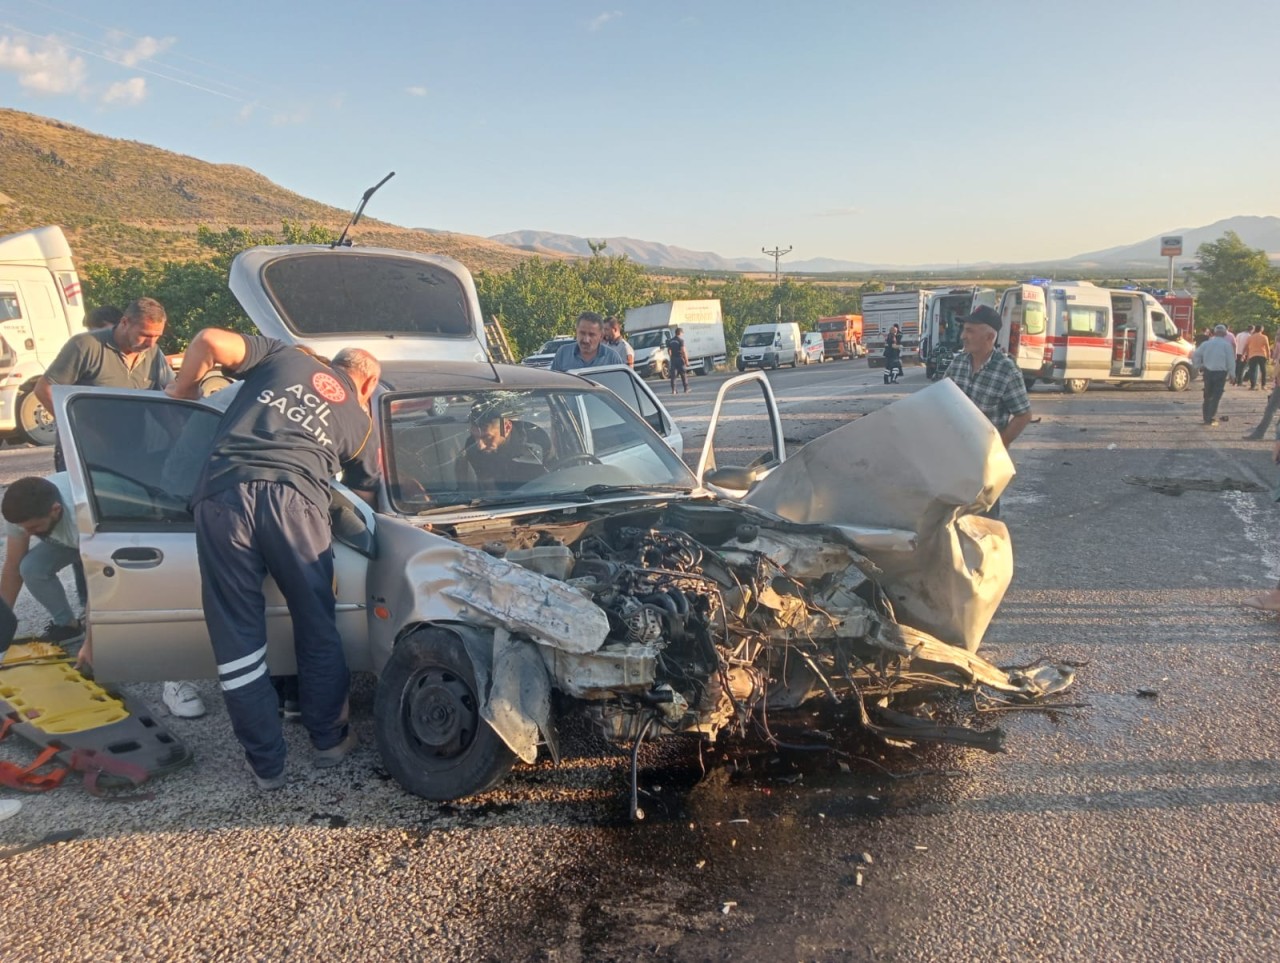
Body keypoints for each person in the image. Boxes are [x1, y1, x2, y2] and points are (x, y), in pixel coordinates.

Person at [166, 328, 381, 791]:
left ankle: (267, 765)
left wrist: (180, 394)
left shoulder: (283, 357)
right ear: (367, 385)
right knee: (318, 625)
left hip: (224, 494)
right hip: (299, 505)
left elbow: (208, 340)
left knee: (238, 635)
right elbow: (363, 492)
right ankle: (329, 740)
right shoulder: (361, 423)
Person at [33, 297, 203, 717]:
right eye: (144, 333)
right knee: (88, 546)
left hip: (138, 462)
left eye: (156, 337)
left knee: (132, 541)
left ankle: (126, 624)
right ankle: (95, 630)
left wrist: (185, 442)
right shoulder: (85, 347)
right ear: (124, 323)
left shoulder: (154, 354)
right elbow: (46, 388)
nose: (149, 342)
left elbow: (167, 399)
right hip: (89, 462)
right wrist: (77, 438)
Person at [946, 306, 1032, 517]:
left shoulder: (1006, 370)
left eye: (970, 331)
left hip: (984, 465)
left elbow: (1023, 415)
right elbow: (941, 400)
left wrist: (998, 446)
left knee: (981, 520)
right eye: (963, 330)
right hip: (952, 457)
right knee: (950, 517)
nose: (963, 336)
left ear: (990, 336)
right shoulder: (957, 364)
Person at [1, 475, 87, 646]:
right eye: (23, 528)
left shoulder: (80, 517)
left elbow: (102, 577)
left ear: (55, 510)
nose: (26, 533)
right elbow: (13, 567)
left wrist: (91, 642)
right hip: (69, 540)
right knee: (31, 568)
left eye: (33, 527)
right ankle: (68, 626)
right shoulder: (22, 512)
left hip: (104, 533)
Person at [463, 394, 548, 492]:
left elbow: (554, 472)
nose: (480, 446)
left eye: (487, 437)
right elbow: (487, 487)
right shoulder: (472, 447)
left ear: (506, 428)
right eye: (475, 437)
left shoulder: (537, 439)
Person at [1191, 324, 1236, 427]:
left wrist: (1199, 365)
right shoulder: (1226, 345)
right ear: (1225, 334)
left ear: (1214, 333)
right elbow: (1231, 361)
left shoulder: (1206, 344)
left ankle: (1206, 416)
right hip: (1220, 373)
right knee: (1216, 395)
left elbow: (1195, 355)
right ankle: (1210, 417)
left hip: (1208, 372)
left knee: (1207, 394)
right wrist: (1232, 375)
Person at [550, 312, 624, 372]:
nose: (586, 340)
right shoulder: (563, 354)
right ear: (576, 332)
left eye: (591, 335)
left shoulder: (612, 358)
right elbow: (552, 385)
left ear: (601, 336)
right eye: (582, 333)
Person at [1245, 325, 1271, 390]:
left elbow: (1247, 347)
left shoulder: (1250, 337)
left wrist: (1247, 356)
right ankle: (1263, 385)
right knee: (1263, 371)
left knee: (1252, 370)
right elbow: (1267, 348)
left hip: (1252, 355)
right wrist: (1268, 356)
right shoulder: (1264, 337)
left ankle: (1252, 385)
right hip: (1262, 355)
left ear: (1255, 329)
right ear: (1261, 329)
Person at [669, 326, 691, 394]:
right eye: (682, 333)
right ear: (680, 333)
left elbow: (669, 350)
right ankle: (686, 389)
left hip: (673, 359)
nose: (682, 334)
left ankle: (674, 390)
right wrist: (686, 361)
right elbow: (683, 351)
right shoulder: (681, 341)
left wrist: (671, 357)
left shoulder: (671, 341)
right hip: (680, 359)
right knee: (683, 374)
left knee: (673, 376)